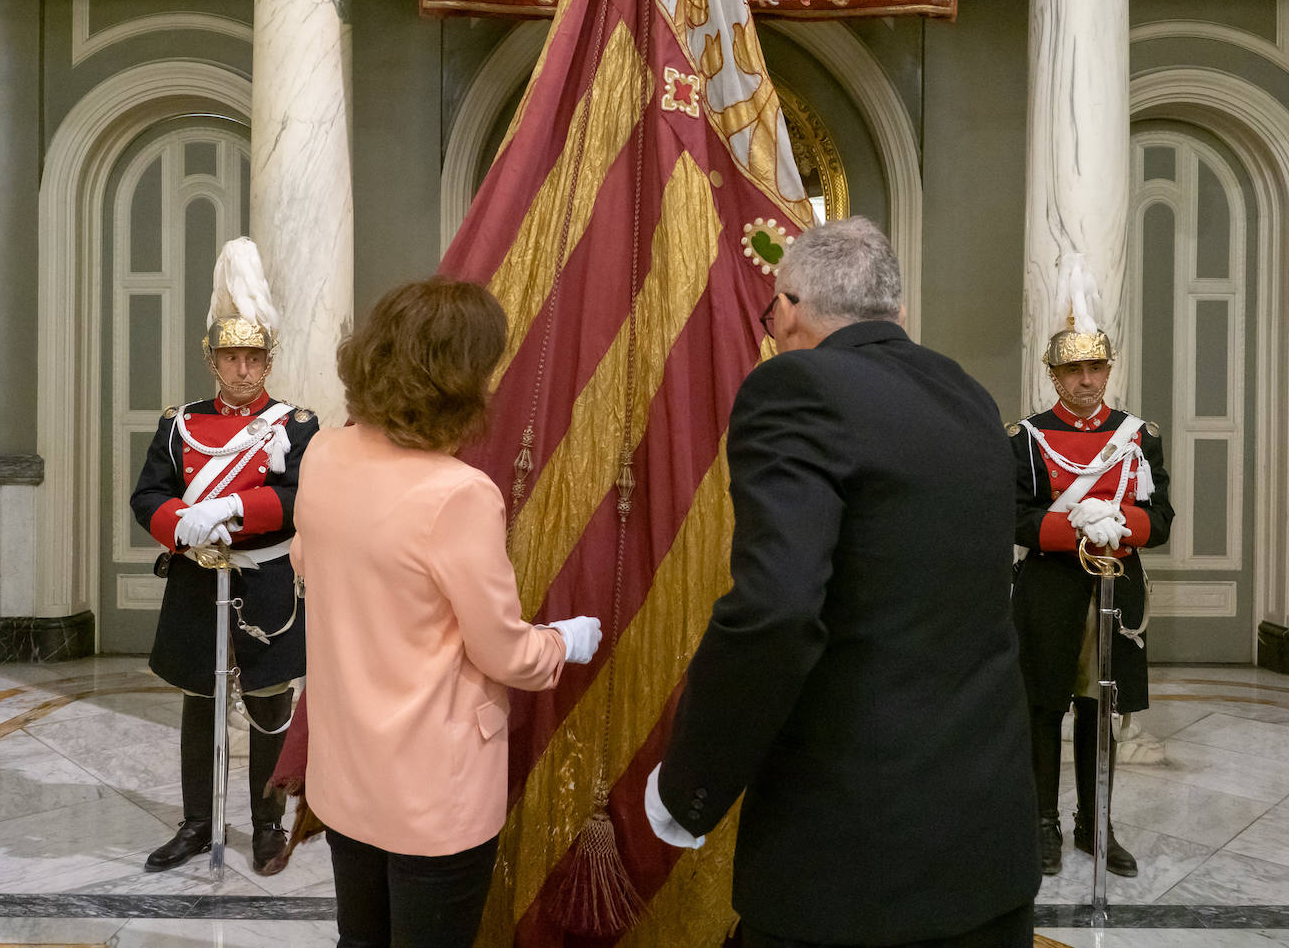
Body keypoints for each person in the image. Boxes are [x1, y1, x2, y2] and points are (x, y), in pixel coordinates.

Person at [645, 216, 1041, 948]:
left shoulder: (794, 385)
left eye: (771, 315)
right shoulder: (969, 396)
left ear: (790, 307)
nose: (770, 331)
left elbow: (776, 609)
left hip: (850, 857)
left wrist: (689, 787)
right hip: (987, 836)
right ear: (895, 312)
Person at [290, 278, 602, 948]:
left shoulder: (324, 453)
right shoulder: (457, 495)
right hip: (434, 792)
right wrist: (563, 641)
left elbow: (306, 564)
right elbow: (504, 653)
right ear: (458, 381)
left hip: (345, 774)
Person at [131, 237, 318, 875]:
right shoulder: (179, 423)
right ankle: (196, 823)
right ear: (213, 360)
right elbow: (148, 494)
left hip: (264, 581)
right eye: (232, 358)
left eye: (254, 358)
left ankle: (267, 826)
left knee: (269, 706)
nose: (243, 370)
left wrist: (236, 510)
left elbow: (299, 498)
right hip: (195, 580)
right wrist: (181, 525)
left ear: (268, 362)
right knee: (198, 702)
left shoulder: (296, 426)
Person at [1009, 318, 1173, 879]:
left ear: (1108, 369)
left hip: (1115, 586)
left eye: (1096, 367)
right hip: (1051, 586)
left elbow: (1161, 519)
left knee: (1100, 707)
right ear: (1054, 376)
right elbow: (1016, 517)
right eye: (1073, 369)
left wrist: (1116, 522)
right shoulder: (1025, 437)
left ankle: (1094, 823)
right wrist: (1077, 526)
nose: (1086, 380)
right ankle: (1040, 823)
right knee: (1043, 704)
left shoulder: (1138, 435)